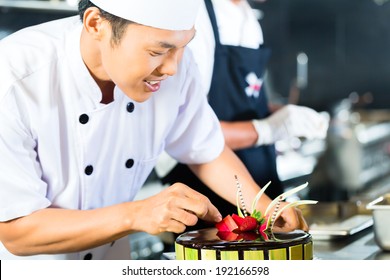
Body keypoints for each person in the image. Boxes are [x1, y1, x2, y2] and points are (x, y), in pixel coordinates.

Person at [0, 0, 308, 260]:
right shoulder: (14, 77)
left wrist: (264, 208)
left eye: (183, 47)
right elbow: (16, 231)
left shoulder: (176, 69)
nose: (173, 68)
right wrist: (137, 214)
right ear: (96, 25)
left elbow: (205, 150)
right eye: (157, 51)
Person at [157, 0, 328, 229]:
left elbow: (244, 104)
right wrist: (268, 129)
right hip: (210, 200)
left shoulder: (248, 16)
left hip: (254, 187)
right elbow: (192, 133)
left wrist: (289, 118)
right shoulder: (195, 16)